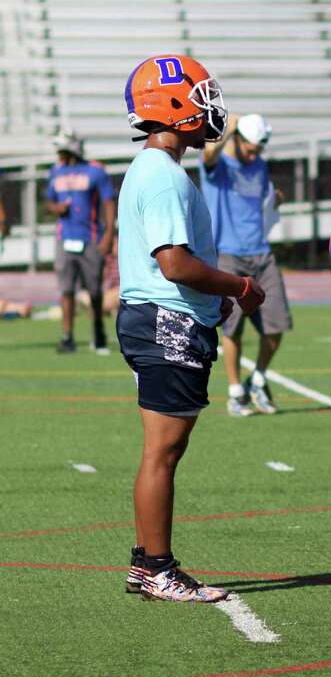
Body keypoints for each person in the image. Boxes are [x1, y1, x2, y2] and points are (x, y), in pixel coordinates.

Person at [118, 54, 264, 603]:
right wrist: (238, 287)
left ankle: (145, 563)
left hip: (164, 318)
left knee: (163, 449)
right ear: (171, 105)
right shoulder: (162, 175)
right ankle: (157, 566)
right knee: (163, 450)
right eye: (200, 98)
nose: (210, 109)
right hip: (165, 321)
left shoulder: (157, 170)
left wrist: (212, 300)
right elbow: (174, 263)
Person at [199, 113, 291, 416]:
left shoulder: (260, 166)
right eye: (250, 147)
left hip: (261, 252)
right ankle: (236, 392)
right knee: (232, 328)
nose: (254, 154)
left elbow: (259, 204)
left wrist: (273, 201)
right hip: (227, 253)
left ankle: (259, 378)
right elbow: (209, 154)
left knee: (277, 324)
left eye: (258, 149)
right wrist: (229, 129)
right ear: (238, 139)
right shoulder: (219, 166)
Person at [45, 129, 115, 353]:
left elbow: (108, 203)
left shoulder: (95, 171)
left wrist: (108, 235)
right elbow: (48, 202)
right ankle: (67, 337)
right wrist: (56, 208)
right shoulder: (56, 171)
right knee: (66, 290)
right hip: (64, 237)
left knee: (94, 290)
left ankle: (98, 331)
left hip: (91, 237)